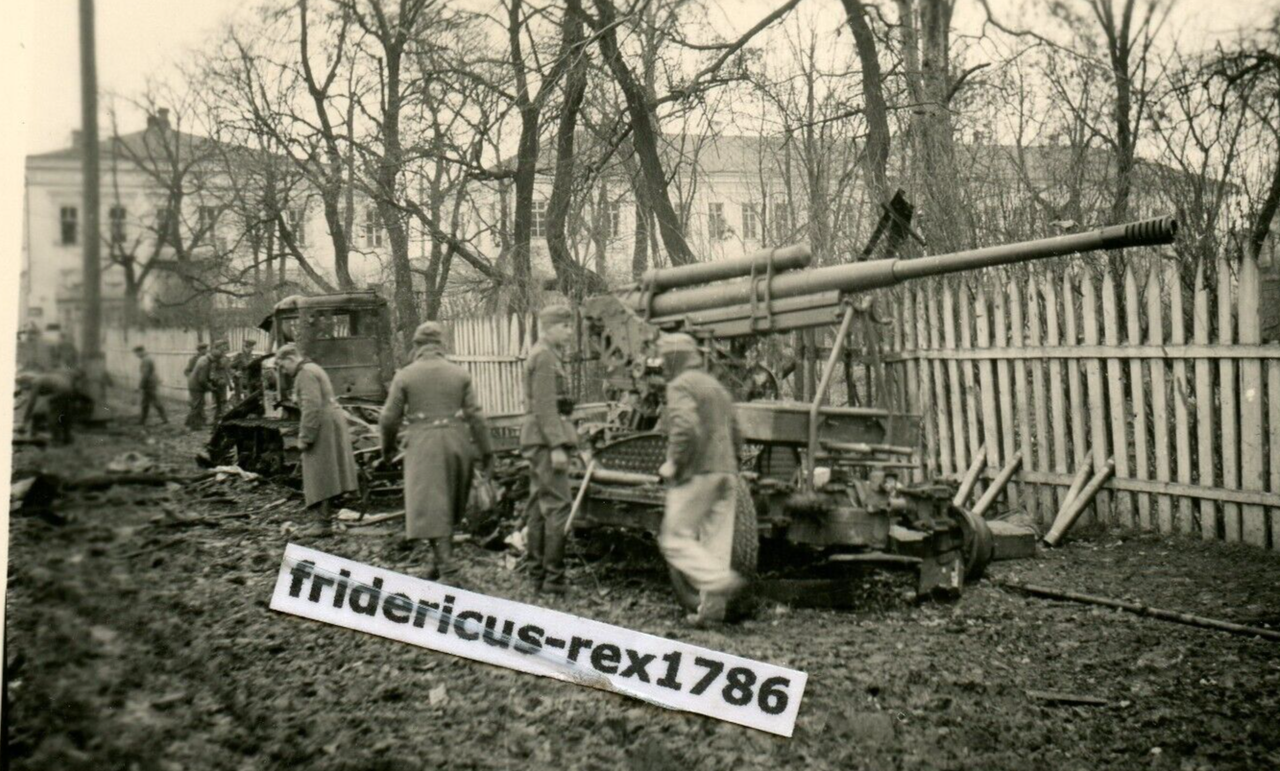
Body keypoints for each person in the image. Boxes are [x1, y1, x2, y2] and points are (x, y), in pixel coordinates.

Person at [379, 322, 493, 586]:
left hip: (424, 443)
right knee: (448, 504)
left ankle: (449, 571)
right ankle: (437, 563)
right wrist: (487, 453)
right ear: (441, 345)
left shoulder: (405, 376)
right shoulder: (459, 374)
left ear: (417, 346)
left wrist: (387, 450)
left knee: (430, 507)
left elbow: (387, 419)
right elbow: (476, 417)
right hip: (457, 440)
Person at [656, 332, 747, 626]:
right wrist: (733, 463)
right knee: (715, 544)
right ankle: (711, 613)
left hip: (699, 472)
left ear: (672, 361)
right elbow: (736, 432)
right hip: (727, 472)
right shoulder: (715, 386)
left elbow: (685, 426)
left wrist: (674, 463)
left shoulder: (680, 385)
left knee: (674, 539)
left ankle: (718, 579)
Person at [520, 305, 578, 596]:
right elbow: (544, 406)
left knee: (539, 506)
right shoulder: (544, 356)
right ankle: (553, 579)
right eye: (565, 326)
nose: (570, 331)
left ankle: (537, 574)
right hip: (545, 440)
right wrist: (556, 445)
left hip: (538, 437)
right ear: (549, 327)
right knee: (557, 505)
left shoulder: (548, 354)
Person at [275, 344, 359, 525]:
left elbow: (311, 407)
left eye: (283, 365)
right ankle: (327, 516)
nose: (283, 370)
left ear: (290, 359)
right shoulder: (313, 368)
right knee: (329, 471)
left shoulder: (305, 373)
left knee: (318, 472)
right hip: (329, 422)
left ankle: (322, 523)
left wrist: (305, 437)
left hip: (321, 425)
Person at [16, 370, 77, 446]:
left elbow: (31, 403)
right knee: (65, 414)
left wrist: (24, 422)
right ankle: (67, 438)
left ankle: (56, 441)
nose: (26, 389)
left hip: (60, 390)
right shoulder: (42, 378)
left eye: (24, 386)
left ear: (26, 382)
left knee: (52, 416)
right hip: (68, 388)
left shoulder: (35, 382)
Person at [134, 345, 168, 426]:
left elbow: (145, 374)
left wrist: (140, 386)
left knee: (155, 402)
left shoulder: (146, 360)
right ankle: (142, 421)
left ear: (141, 351)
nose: (136, 355)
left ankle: (165, 419)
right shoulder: (147, 359)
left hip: (149, 384)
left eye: (137, 353)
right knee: (145, 403)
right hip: (149, 384)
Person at [206, 340, 231, 421]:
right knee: (217, 401)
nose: (224, 347)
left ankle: (220, 418)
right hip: (218, 381)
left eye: (224, 345)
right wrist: (215, 380)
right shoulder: (215, 356)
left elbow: (227, 370)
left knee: (223, 400)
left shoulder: (223, 356)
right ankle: (215, 419)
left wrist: (229, 383)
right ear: (218, 347)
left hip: (223, 380)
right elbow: (212, 370)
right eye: (223, 345)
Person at [185, 345, 209, 430]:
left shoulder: (206, 359)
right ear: (199, 350)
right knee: (196, 404)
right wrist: (193, 378)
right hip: (195, 384)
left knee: (200, 403)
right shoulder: (193, 359)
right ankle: (194, 424)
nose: (206, 350)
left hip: (200, 384)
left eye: (206, 349)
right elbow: (187, 371)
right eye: (204, 349)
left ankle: (199, 421)